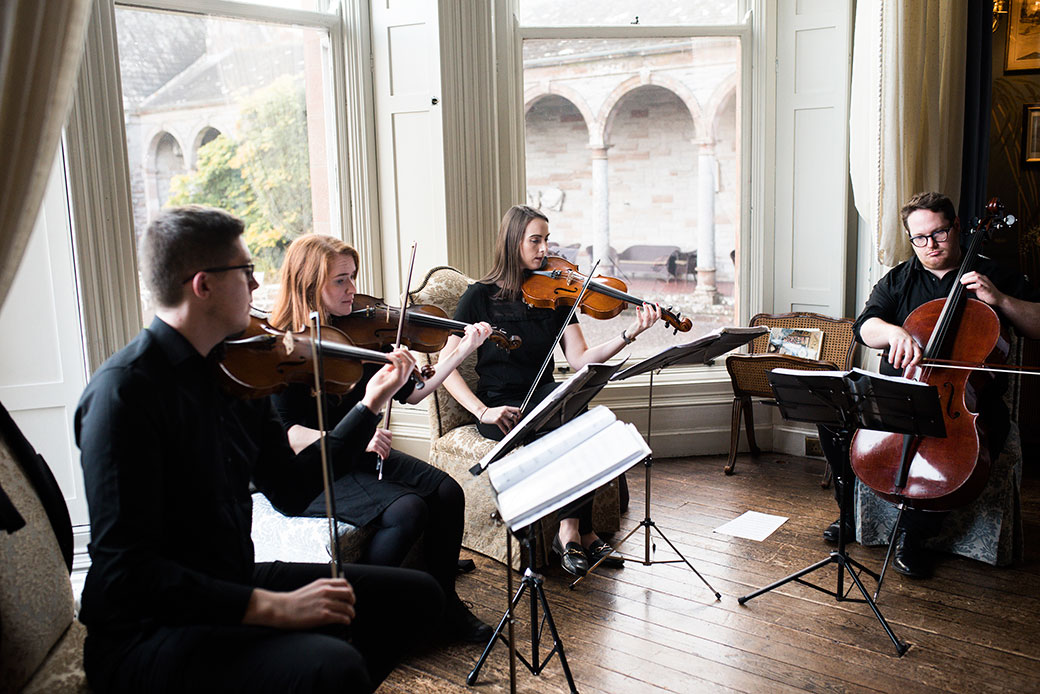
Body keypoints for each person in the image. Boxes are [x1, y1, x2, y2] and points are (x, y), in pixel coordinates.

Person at [75, 206, 444, 694]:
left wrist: (370, 405)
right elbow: (128, 573)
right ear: (202, 285)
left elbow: (291, 491)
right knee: (334, 666)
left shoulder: (238, 372)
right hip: (150, 629)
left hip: (230, 582)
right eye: (246, 272)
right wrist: (274, 608)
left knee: (419, 598)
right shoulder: (124, 394)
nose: (256, 286)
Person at [267, 234, 493, 642]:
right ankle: (369, 618)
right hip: (314, 466)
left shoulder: (360, 333)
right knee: (408, 510)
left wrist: (459, 352)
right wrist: (352, 435)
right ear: (308, 284)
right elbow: (290, 434)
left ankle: (441, 601)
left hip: (357, 454)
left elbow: (416, 392)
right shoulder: (288, 345)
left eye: (352, 277)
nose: (353, 289)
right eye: (340, 280)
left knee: (447, 491)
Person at [820, 191, 1040, 578]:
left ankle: (915, 537)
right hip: (899, 392)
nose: (930, 245)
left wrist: (1001, 300)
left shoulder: (993, 275)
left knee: (952, 447)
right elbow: (866, 325)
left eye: (938, 234)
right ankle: (849, 516)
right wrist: (893, 333)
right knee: (833, 418)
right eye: (919, 238)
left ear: (956, 228)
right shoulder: (900, 279)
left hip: (966, 402)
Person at [441, 205, 664, 577]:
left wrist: (630, 334)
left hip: (545, 397)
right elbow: (446, 367)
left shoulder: (557, 294)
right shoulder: (478, 296)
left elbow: (581, 359)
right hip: (499, 407)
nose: (544, 249)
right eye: (535, 240)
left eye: (547, 240)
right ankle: (583, 533)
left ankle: (572, 531)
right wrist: (482, 412)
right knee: (575, 425)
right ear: (513, 242)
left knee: (589, 422)